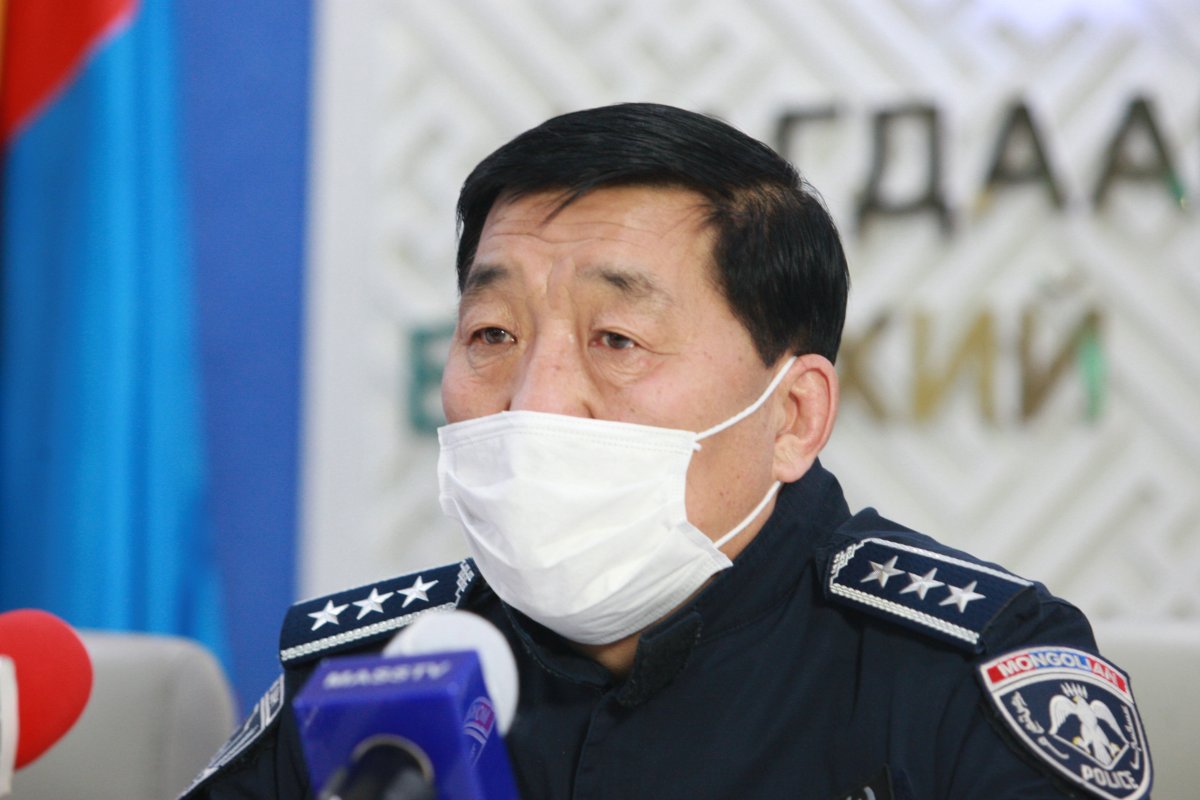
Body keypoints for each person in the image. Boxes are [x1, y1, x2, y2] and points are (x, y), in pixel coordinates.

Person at [182, 103, 1151, 800]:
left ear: (794, 416)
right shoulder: (365, 684)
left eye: (616, 339)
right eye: (492, 334)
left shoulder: (961, 674)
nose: (536, 397)